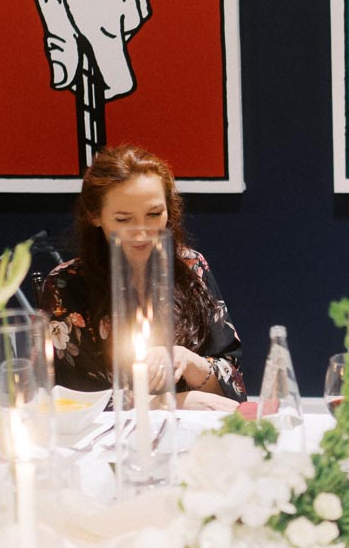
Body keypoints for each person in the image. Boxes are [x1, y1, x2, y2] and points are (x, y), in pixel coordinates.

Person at [41, 145, 244, 409]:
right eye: (123, 219)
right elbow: (72, 401)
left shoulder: (191, 267)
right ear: (95, 216)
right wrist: (172, 403)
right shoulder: (66, 285)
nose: (141, 232)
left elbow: (234, 385)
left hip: (196, 431)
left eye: (154, 214)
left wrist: (189, 362)